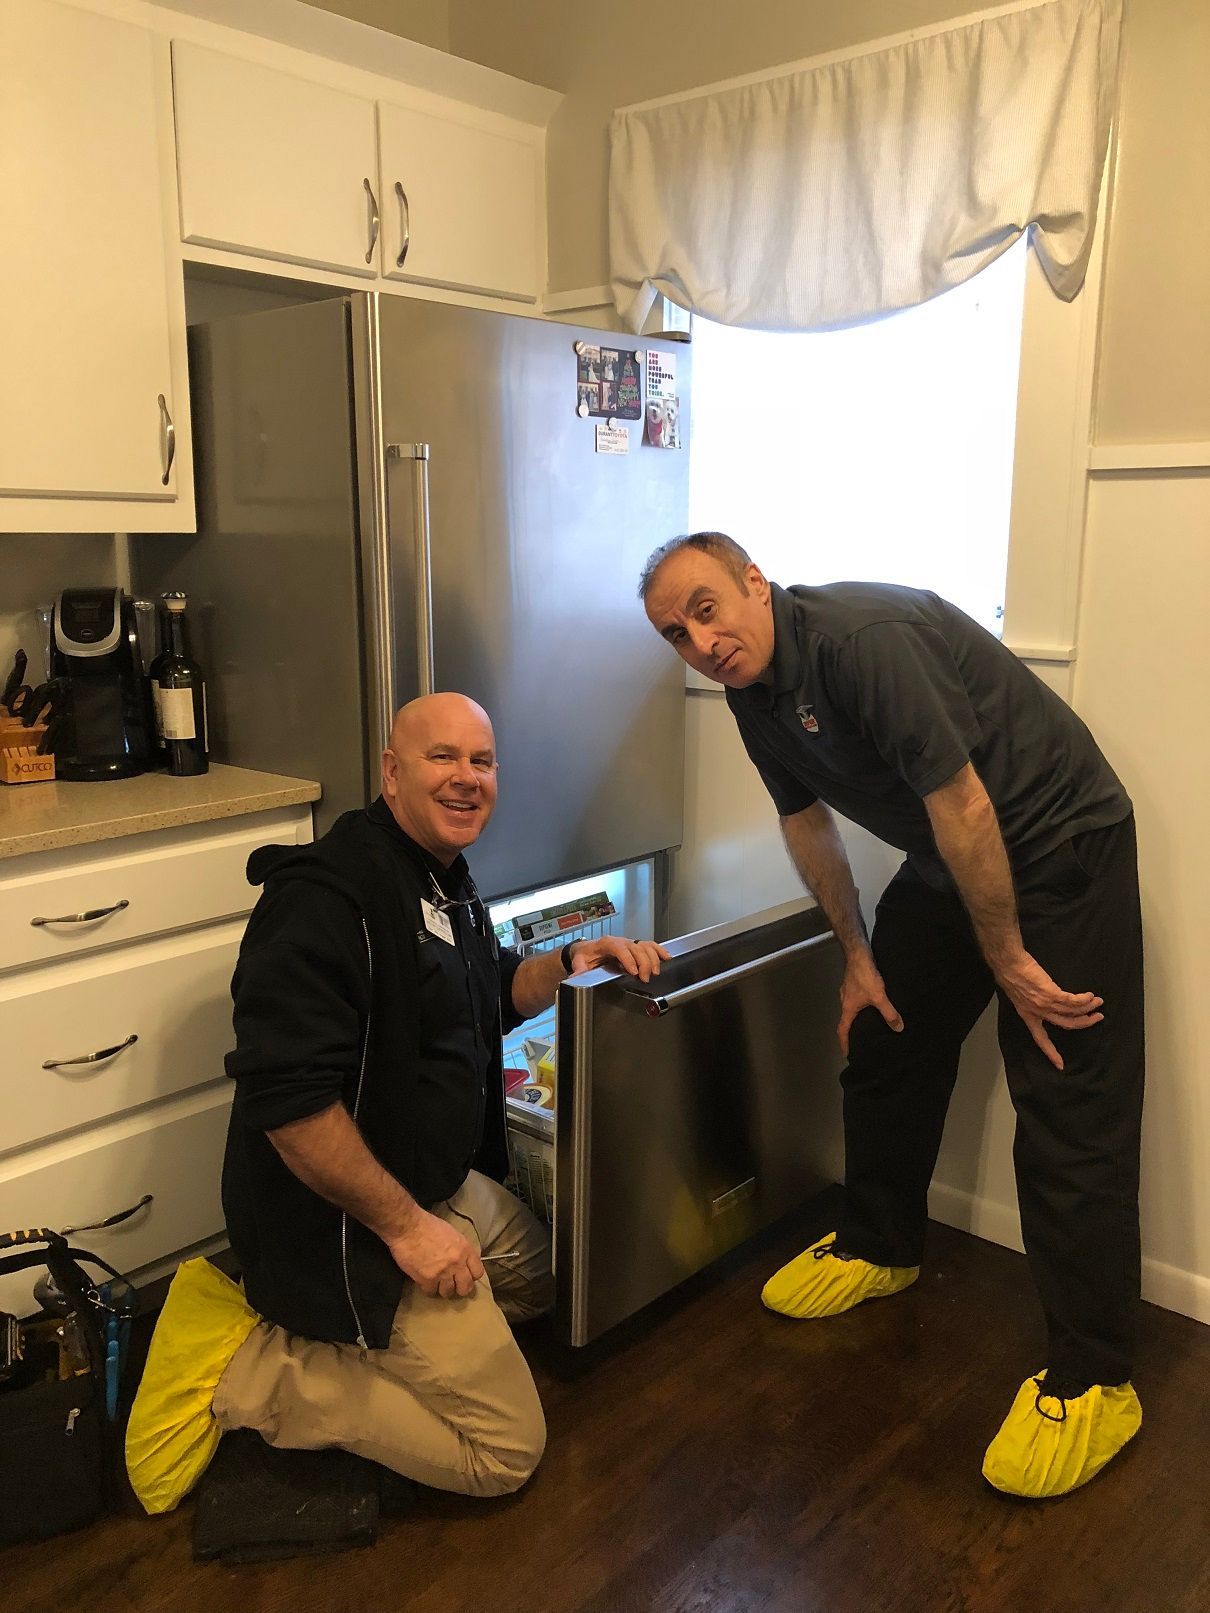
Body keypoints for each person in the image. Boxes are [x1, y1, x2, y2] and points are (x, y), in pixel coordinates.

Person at [640, 531, 1145, 1500]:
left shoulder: (861, 640)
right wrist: (859, 957)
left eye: (706, 609)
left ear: (755, 582)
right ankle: (880, 1240)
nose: (700, 642)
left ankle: (1094, 1377)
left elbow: (964, 801)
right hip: (956, 853)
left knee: (1067, 1097)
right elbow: (805, 819)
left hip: (1058, 844)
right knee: (885, 1032)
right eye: (676, 634)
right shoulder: (752, 691)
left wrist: (1007, 957)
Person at [126, 692, 667, 1515]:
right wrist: (411, 1232)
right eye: (441, 757)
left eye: (481, 761)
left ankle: (404, 1342)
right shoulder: (325, 897)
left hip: (432, 1182)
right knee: (504, 1452)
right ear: (390, 771)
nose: (466, 777)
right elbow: (289, 1103)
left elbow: (492, 992)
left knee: (547, 1286)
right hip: (340, 1222)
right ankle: (248, 1364)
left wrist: (568, 963)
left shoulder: (444, 881)